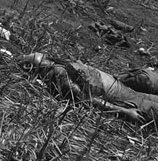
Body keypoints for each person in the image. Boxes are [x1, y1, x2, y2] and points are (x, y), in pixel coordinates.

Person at [18, 53, 158, 125]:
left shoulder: (61, 68)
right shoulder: (59, 75)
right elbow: (85, 99)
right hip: (124, 100)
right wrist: (125, 112)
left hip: (125, 90)